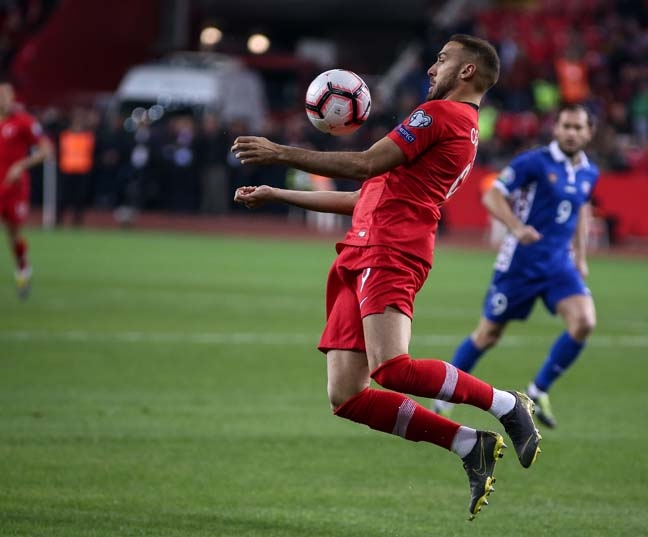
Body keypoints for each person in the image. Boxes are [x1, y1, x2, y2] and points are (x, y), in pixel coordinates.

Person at [231, 34, 541, 520]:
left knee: (392, 368)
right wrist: (278, 194)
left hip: (392, 247)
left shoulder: (441, 116)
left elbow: (364, 164)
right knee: (346, 395)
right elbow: (367, 197)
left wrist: (280, 152)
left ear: (466, 72)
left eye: (442, 59)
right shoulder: (455, 125)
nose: (431, 68)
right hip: (361, 247)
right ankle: (468, 445)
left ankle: (506, 404)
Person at [432, 104, 599, 429]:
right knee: (488, 334)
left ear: (589, 133)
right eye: (566, 125)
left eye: (579, 128)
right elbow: (492, 195)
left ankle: (537, 391)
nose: (572, 132)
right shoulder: (534, 162)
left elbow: (581, 209)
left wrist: (580, 256)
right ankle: (442, 397)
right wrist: (516, 227)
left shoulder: (589, 171)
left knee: (584, 321)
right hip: (519, 265)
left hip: (558, 265)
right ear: (556, 128)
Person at [0, 77, 53, 299]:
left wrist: (20, 165)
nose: (2, 99)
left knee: (13, 234)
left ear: (13, 97)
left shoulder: (23, 122)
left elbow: (46, 150)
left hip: (13, 187)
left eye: (5, 94)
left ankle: (23, 268)